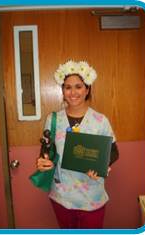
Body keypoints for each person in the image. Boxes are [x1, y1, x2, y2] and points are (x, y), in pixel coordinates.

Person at [36, 60, 119, 229]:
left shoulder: (100, 120)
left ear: (87, 89)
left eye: (78, 86)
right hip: (62, 196)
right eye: (67, 87)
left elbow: (113, 151)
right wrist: (43, 162)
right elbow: (46, 151)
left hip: (92, 196)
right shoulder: (53, 120)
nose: (73, 92)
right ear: (63, 90)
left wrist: (102, 167)